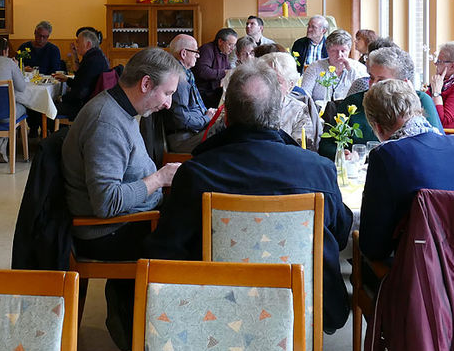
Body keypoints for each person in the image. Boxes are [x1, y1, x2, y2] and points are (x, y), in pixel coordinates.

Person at [145, 60, 354, 333]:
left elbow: (166, 251)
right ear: (278, 113)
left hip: (215, 313)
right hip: (303, 308)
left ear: (226, 116)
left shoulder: (196, 174)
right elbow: (339, 237)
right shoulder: (318, 171)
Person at [62, 47, 183, 349]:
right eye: (166, 93)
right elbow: (107, 202)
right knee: (192, 242)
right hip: (106, 232)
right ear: (145, 84)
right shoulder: (107, 122)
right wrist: (159, 179)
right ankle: (157, 338)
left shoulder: (125, 110)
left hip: (129, 219)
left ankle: (133, 318)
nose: (168, 104)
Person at [359, 79, 454, 262]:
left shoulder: (387, 156)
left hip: (427, 278)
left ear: (377, 127)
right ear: (419, 111)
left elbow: (373, 247)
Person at [322, 46, 443, 155]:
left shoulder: (420, 100)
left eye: (381, 80)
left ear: (403, 83)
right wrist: (342, 153)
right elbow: (325, 145)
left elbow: (436, 142)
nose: (373, 85)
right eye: (371, 78)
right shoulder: (353, 102)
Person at [164, 34, 217, 153]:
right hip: (183, 139)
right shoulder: (179, 79)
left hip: (192, 132)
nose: (198, 56)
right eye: (195, 52)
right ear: (183, 54)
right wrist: (207, 118)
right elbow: (181, 120)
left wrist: (208, 115)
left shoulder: (187, 73)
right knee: (225, 132)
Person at [261, 51, 321, 150]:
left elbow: (302, 150)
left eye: (278, 82)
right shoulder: (250, 105)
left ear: (290, 85)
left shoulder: (299, 111)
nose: (270, 86)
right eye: (265, 79)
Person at [55, 29, 110, 119]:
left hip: (85, 107)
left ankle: (55, 131)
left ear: (88, 44)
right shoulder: (97, 56)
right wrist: (67, 80)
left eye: (78, 43)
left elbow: (80, 92)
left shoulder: (91, 61)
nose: (77, 46)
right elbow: (81, 81)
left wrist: (62, 98)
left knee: (49, 108)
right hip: (95, 103)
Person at [300, 29, 367, 102]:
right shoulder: (315, 67)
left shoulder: (359, 68)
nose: (339, 55)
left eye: (343, 51)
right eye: (334, 51)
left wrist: (350, 70)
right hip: (319, 111)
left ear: (349, 50)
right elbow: (305, 95)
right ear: (327, 50)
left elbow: (364, 93)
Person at [193, 27, 237, 107]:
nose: (232, 49)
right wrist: (224, 73)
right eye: (230, 44)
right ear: (220, 41)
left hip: (214, 91)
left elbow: (228, 69)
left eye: (234, 45)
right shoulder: (207, 49)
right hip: (203, 94)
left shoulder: (224, 52)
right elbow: (202, 71)